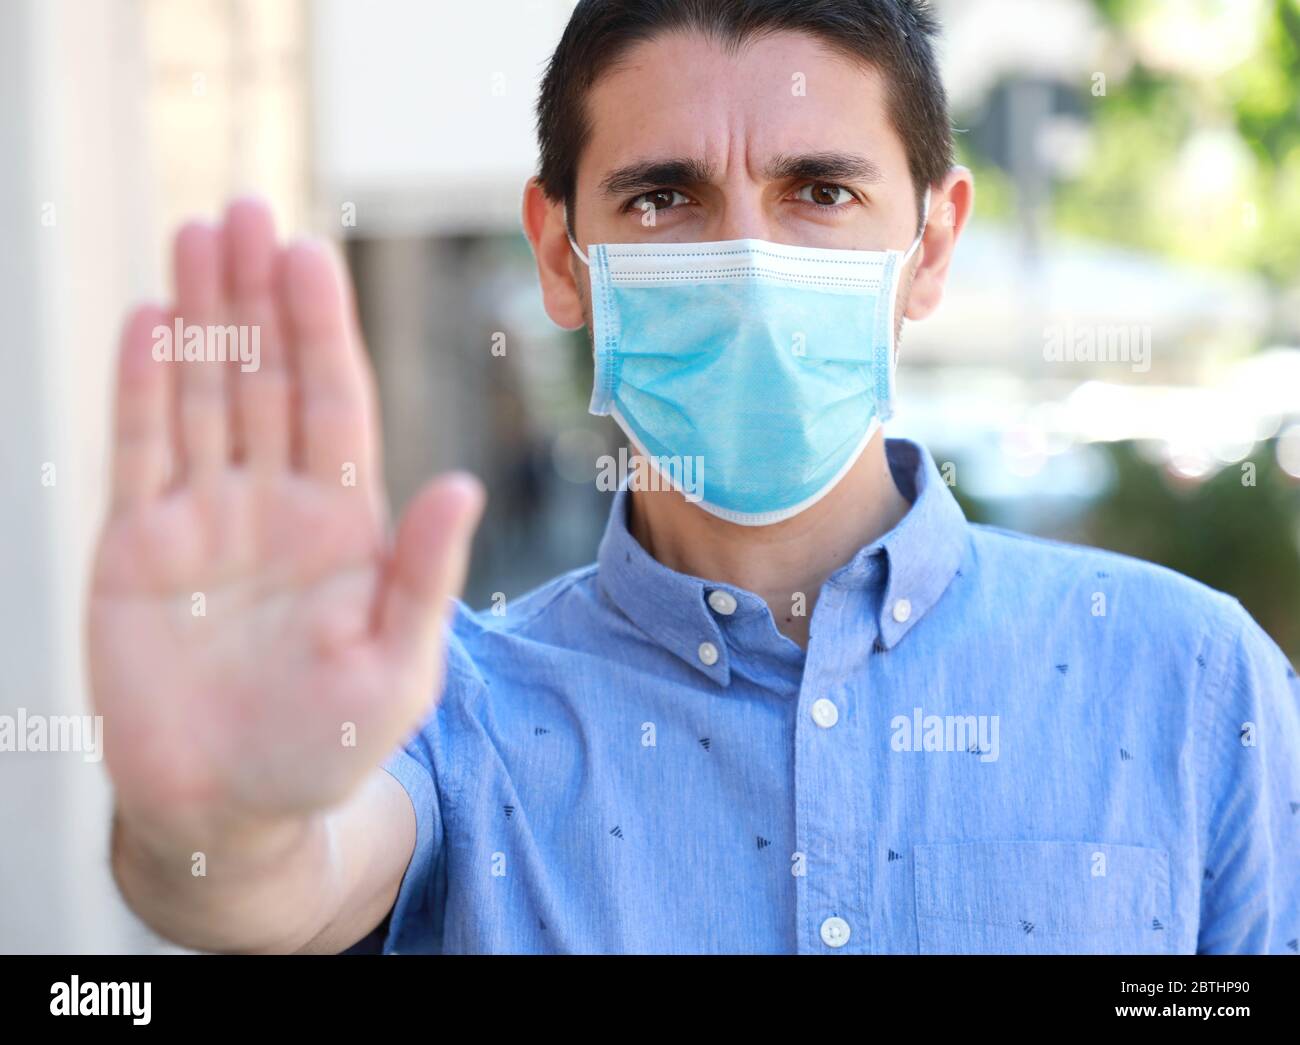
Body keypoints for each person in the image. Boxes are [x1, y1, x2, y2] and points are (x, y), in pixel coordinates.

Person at [94, 0, 1299, 955]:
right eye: (665, 197)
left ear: (928, 245)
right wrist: (219, 821)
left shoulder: (1191, 681)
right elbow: (283, 886)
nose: (746, 264)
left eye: (819, 192)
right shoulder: (451, 710)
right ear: (561, 258)